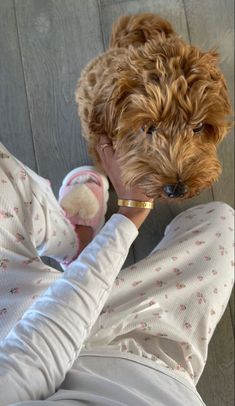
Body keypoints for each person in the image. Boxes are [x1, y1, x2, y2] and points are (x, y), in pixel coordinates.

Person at [0, 137, 234, 406]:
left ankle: (73, 240)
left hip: (33, 340)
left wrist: (129, 216)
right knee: (220, 220)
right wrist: (131, 213)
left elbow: (30, 362)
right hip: (163, 360)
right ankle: (79, 246)